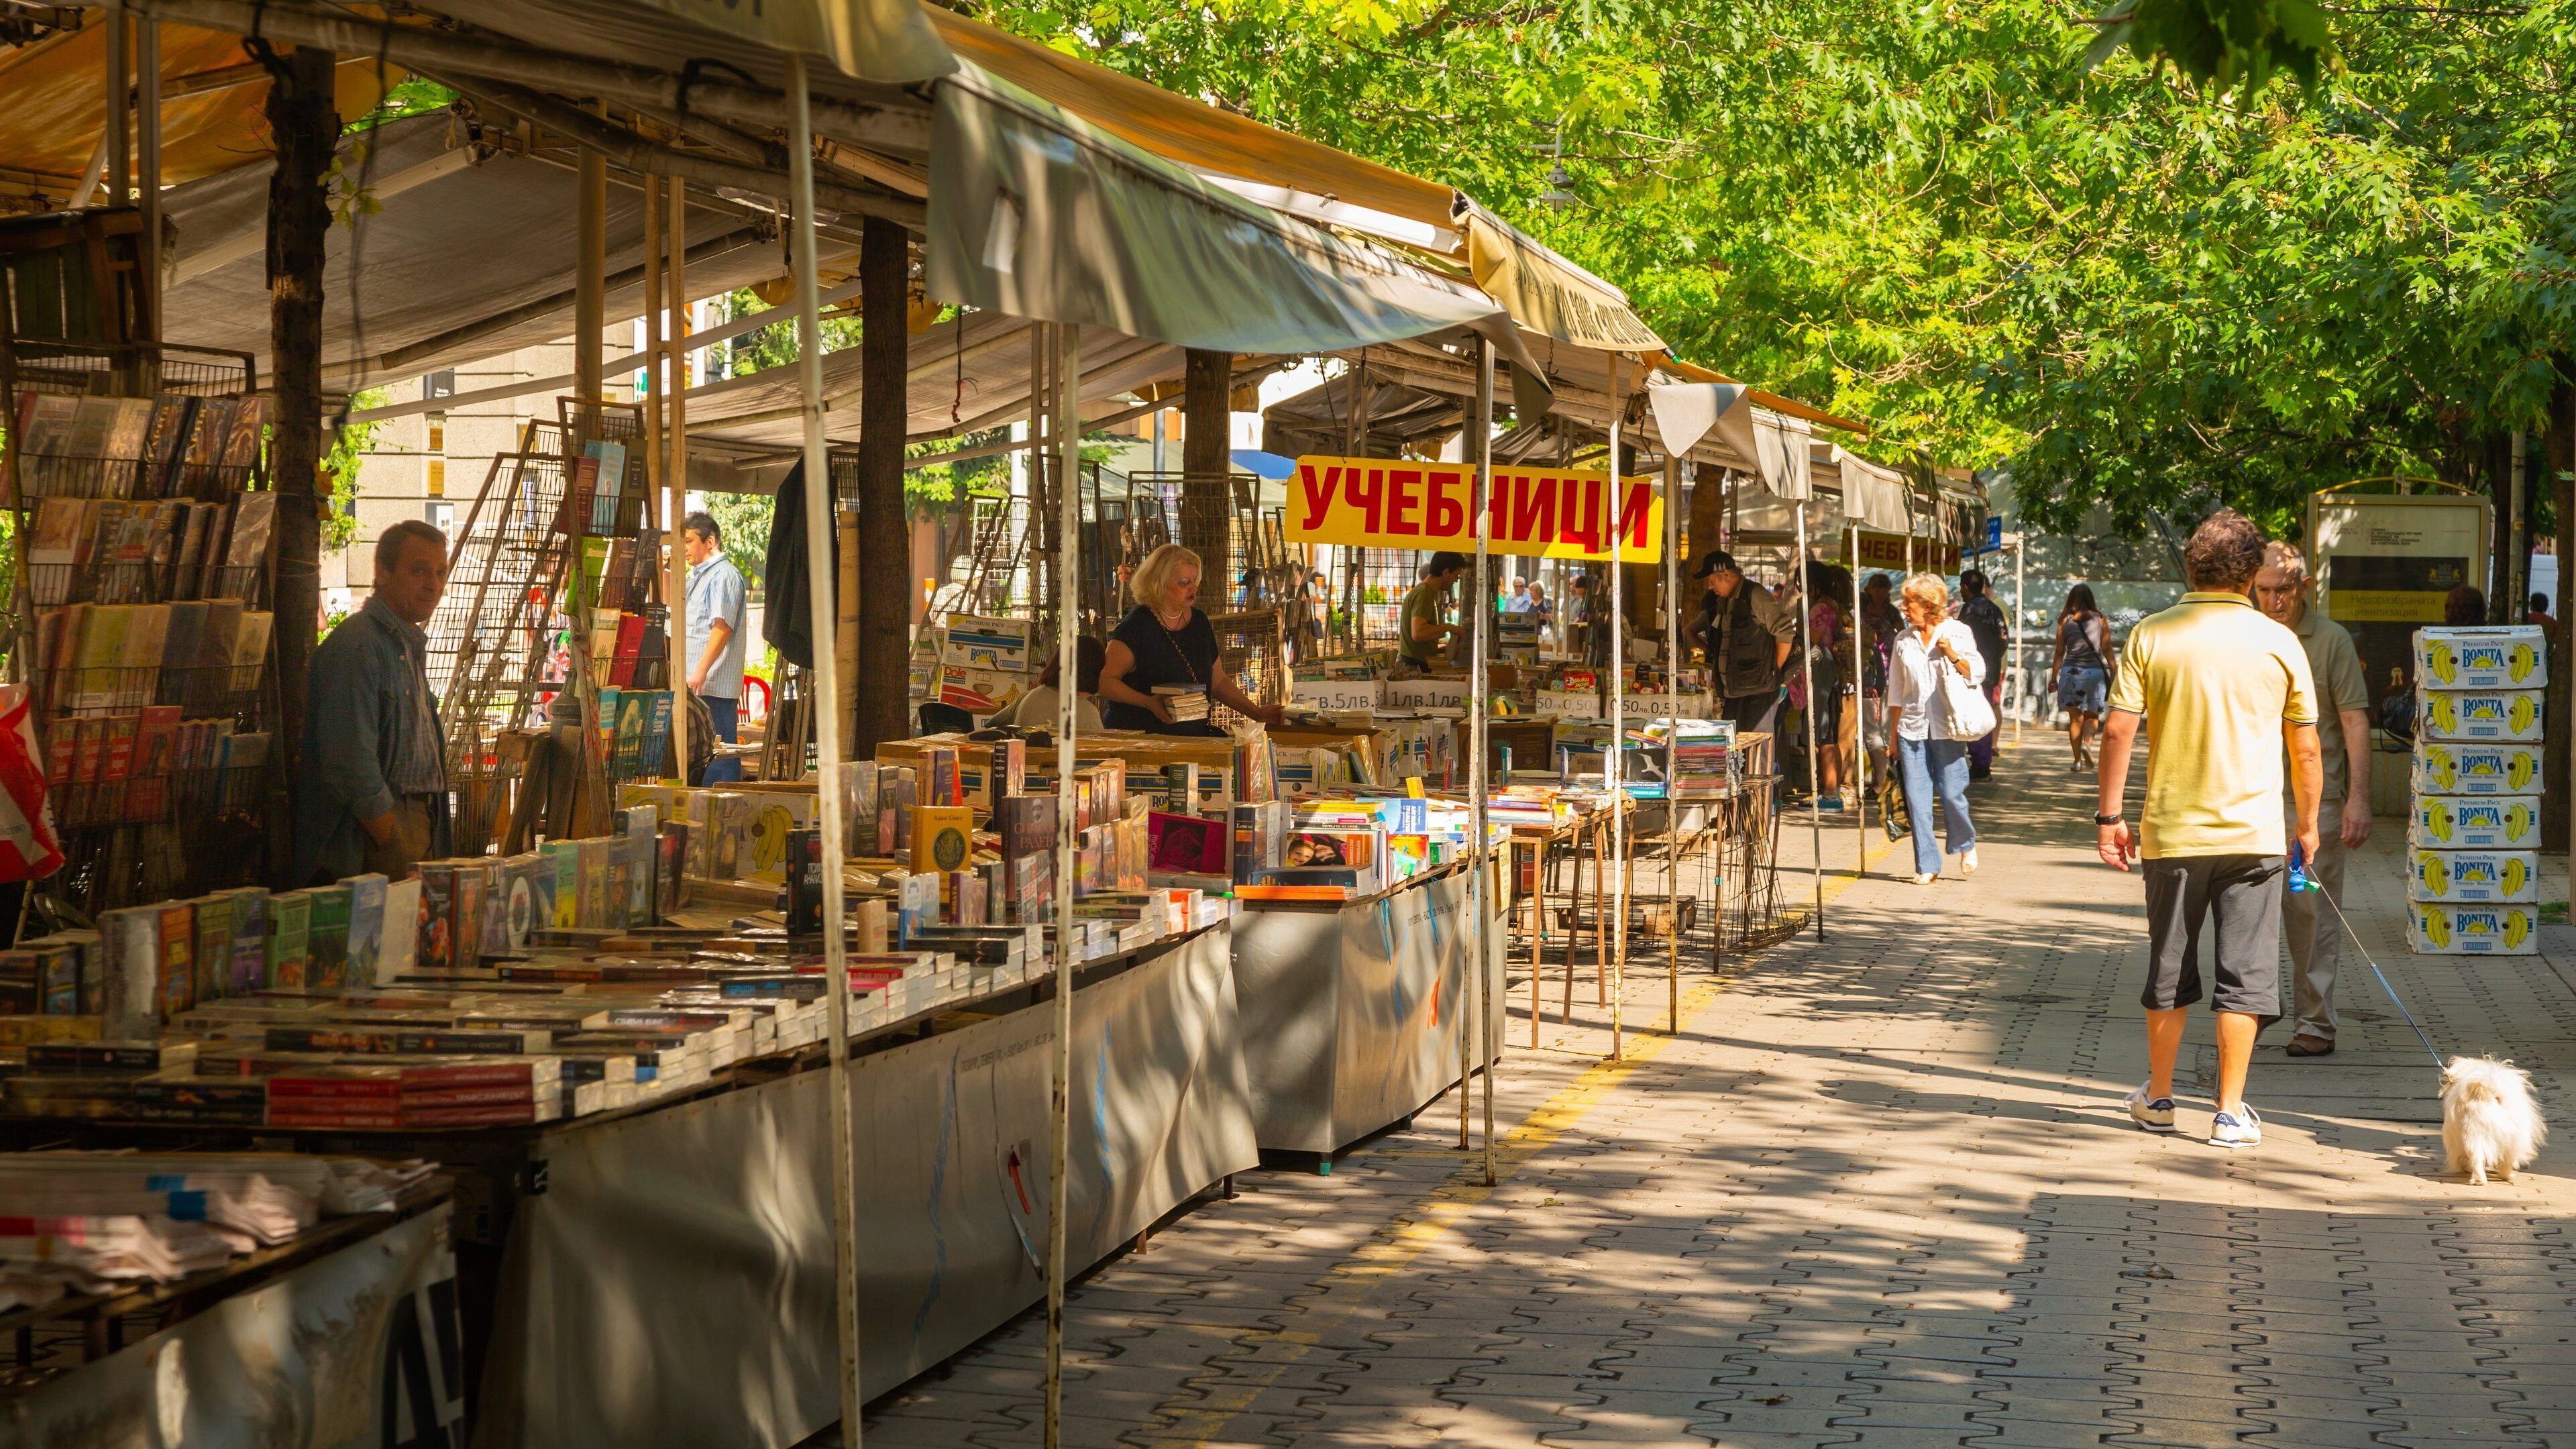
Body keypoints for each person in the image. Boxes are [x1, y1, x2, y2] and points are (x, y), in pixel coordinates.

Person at [2096, 509, 2320, 1150]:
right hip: (2253, 836)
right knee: (2246, 974)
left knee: (2168, 966)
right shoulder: (2280, 641)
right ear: (2251, 575)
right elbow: (2305, 748)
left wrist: (2109, 818)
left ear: (2190, 567)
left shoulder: (2152, 635)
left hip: (2173, 835)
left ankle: (2160, 1098)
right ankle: (2229, 1112)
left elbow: (2117, 730)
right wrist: (2307, 825)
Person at [2254, 542, 2373, 1059]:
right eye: (2264, 590)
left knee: (2310, 914)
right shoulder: (2248, 636)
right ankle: (2251, 1008)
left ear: (2303, 586)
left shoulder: (2330, 641)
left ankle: (2315, 1024)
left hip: (2311, 809)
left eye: (2284, 590)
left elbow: (2354, 720)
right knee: (2249, 910)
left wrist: (2358, 800)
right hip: (2251, 801)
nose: (2274, 600)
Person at [293, 521, 452, 884]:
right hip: (373, 839)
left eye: (441, 572)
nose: (433, 585)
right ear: (382, 572)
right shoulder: (358, 647)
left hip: (412, 825)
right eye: (419, 571)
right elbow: (349, 762)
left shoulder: (403, 644)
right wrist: (388, 834)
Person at [1099, 543, 1288, 735]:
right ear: (1159, 584)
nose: (1193, 588)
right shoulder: (1139, 623)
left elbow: (1218, 681)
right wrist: (1148, 702)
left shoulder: (1199, 622)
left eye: (1194, 580)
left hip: (1191, 737)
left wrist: (1257, 713)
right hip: (1141, 739)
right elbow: (1105, 681)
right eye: (1184, 582)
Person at [1884, 572, 1984, 885]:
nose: (1903, 607)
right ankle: (1927, 864)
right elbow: (1897, 691)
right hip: (1911, 727)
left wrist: (1952, 654)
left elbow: (1976, 672)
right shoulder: (1903, 640)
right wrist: (1892, 736)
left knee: (1953, 793)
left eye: (1909, 602)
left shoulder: (1958, 632)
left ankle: (1965, 843)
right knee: (1916, 798)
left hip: (1947, 725)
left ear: (1928, 605)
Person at [1690, 549, 1796, 737]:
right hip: (1735, 691)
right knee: (1734, 748)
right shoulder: (1725, 601)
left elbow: (1785, 632)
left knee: (1758, 748)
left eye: (1712, 581)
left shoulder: (1755, 594)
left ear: (1727, 575)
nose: (1709, 587)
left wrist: (1774, 671)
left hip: (1758, 691)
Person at [682, 511, 749, 785]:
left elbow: (722, 628)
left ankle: (725, 818)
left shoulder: (723, 576)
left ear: (710, 542)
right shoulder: (699, 576)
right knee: (702, 757)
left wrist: (700, 672)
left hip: (713, 684)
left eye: (688, 541)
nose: (684, 548)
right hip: (699, 685)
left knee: (719, 756)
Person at [1801, 561, 1851, 810]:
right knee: (1828, 733)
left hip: (1822, 675)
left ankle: (1830, 795)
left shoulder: (1820, 609)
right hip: (1832, 678)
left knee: (1823, 735)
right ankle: (1832, 792)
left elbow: (1813, 642)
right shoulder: (1833, 606)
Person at [2050, 584, 2113, 773]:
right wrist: (2115, 670)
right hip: (2095, 674)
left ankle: (2077, 761)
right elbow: (2107, 649)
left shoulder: (2064, 622)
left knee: (2075, 719)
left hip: (2071, 673)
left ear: (2071, 600)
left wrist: (2054, 677)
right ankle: (2088, 744)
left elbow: (2059, 653)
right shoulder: (2100, 620)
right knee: (2092, 716)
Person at [1955, 569, 2010, 780]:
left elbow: (1960, 641)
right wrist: (1994, 659)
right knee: (1984, 714)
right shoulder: (1995, 609)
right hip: (1991, 671)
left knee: (1973, 717)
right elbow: (2004, 639)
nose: (1960, 591)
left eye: (1961, 587)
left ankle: (1980, 764)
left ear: (1967, 588)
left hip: (1971, 673)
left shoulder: (1969, 611)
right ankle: (1982, 763)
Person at [989, 636, 1106, 734]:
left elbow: (991, 726)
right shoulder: (1087, 713)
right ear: (1094, 672)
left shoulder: (1027, 697)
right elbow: (1101, 756)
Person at [1399, 551, 1470, 672]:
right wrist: (1450, 628)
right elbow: (1418, 633)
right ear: (1446, 573)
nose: (1456, 581)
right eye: (1456, 576)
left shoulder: (1428, 593)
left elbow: (1420, 638)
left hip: (1418, 664)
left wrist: (1441, 650)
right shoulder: (1424, 593)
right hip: (1415, 668)